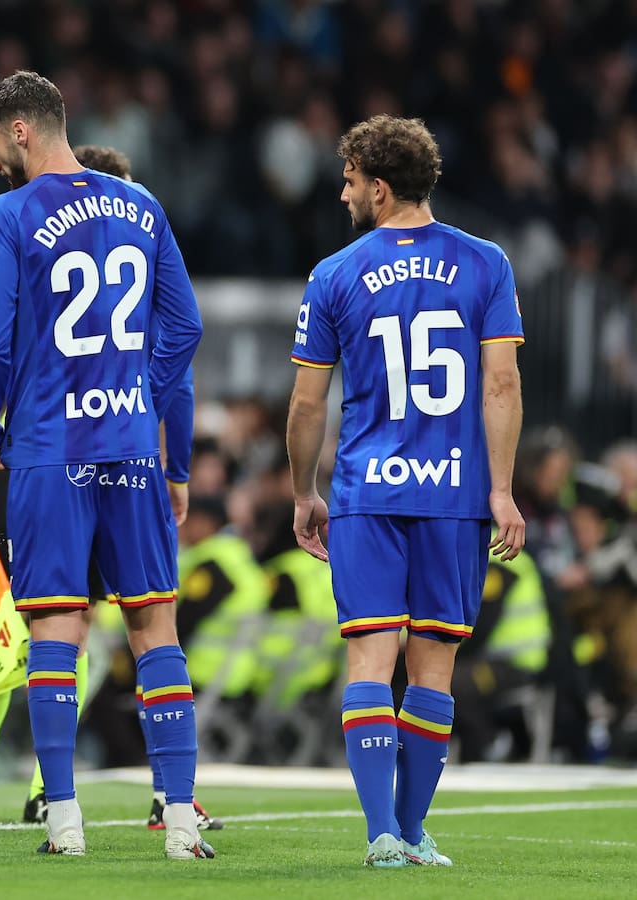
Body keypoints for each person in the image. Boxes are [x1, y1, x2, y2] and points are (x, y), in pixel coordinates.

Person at [0, 143, 220, 834]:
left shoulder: (17, 221)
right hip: (130, 455)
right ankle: (177, 809)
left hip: (46, 456)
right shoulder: (142, 218)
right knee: (153, 629)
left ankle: (59, 813)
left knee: (51, 629)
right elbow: (182, 356)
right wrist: (169, 457)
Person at [285, 115, 526, 868]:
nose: (344, 192)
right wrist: (505, 491)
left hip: (367, 494)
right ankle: (415, 832)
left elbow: (305, 406)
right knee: (433, 667)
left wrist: (304, 491)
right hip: (455, 496)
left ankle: (382, 832)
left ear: (379, 187)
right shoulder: (487, 264)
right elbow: (501, 383)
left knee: (369, 658)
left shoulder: (334, 274)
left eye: (351, 180)